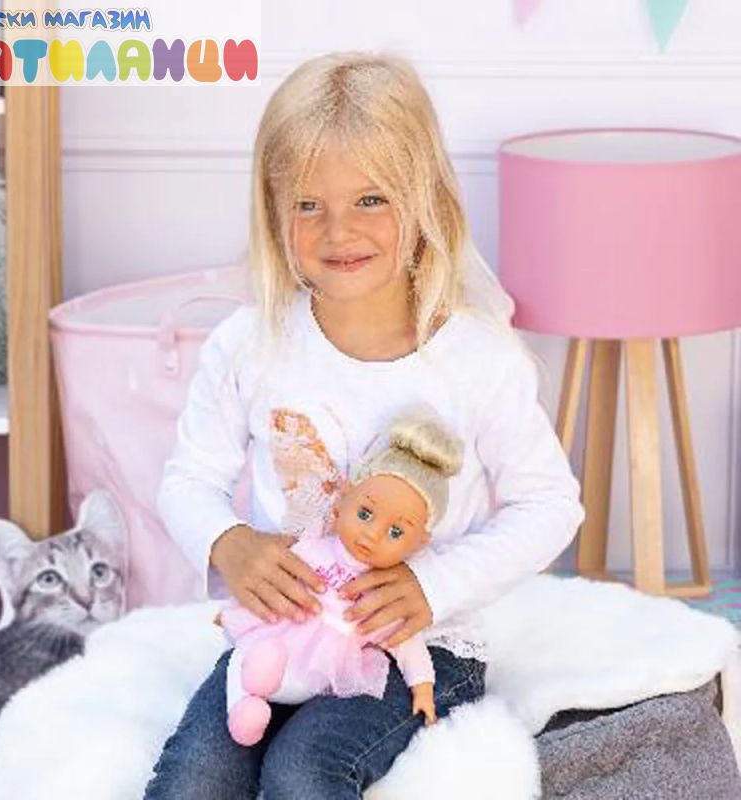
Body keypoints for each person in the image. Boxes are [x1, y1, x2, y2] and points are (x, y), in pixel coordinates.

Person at [143, 50, 584, 800]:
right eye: (307, 205)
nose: (338, 231)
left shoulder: (476, 359)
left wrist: (431, 584)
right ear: (273, 212)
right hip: (283, 633)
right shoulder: (249, 345)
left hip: (416, 643)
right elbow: (188, 480)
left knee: (302, 772)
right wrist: (229, 542)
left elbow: (550, 505)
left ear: (424, 202)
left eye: (371, 199)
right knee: (192, 779)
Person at [220, 408, 464, 746]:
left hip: (322, 663)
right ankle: (246, 708)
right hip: (282, 629)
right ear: (344, 499)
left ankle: (261, 693)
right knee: (244, 656)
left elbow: (408, 644)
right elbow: (274, 578)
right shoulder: (311, 546)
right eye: (365, 513)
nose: (371, 535)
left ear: (419, 543)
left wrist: (422, 687)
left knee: (292, 694)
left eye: (395, 532)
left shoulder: (388, 593)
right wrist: (232, 609)